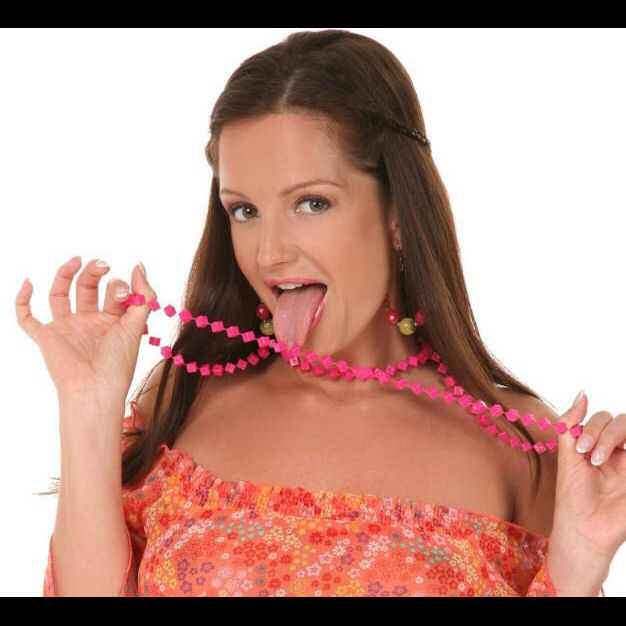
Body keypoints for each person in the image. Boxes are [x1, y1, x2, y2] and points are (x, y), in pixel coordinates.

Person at [18, 30, 620, 597]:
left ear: (398, 216)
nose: (269, 253)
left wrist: (580, 566)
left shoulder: (523, 445)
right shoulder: (185, 399)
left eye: (311, 203)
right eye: (244, 210)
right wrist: (87, 407)